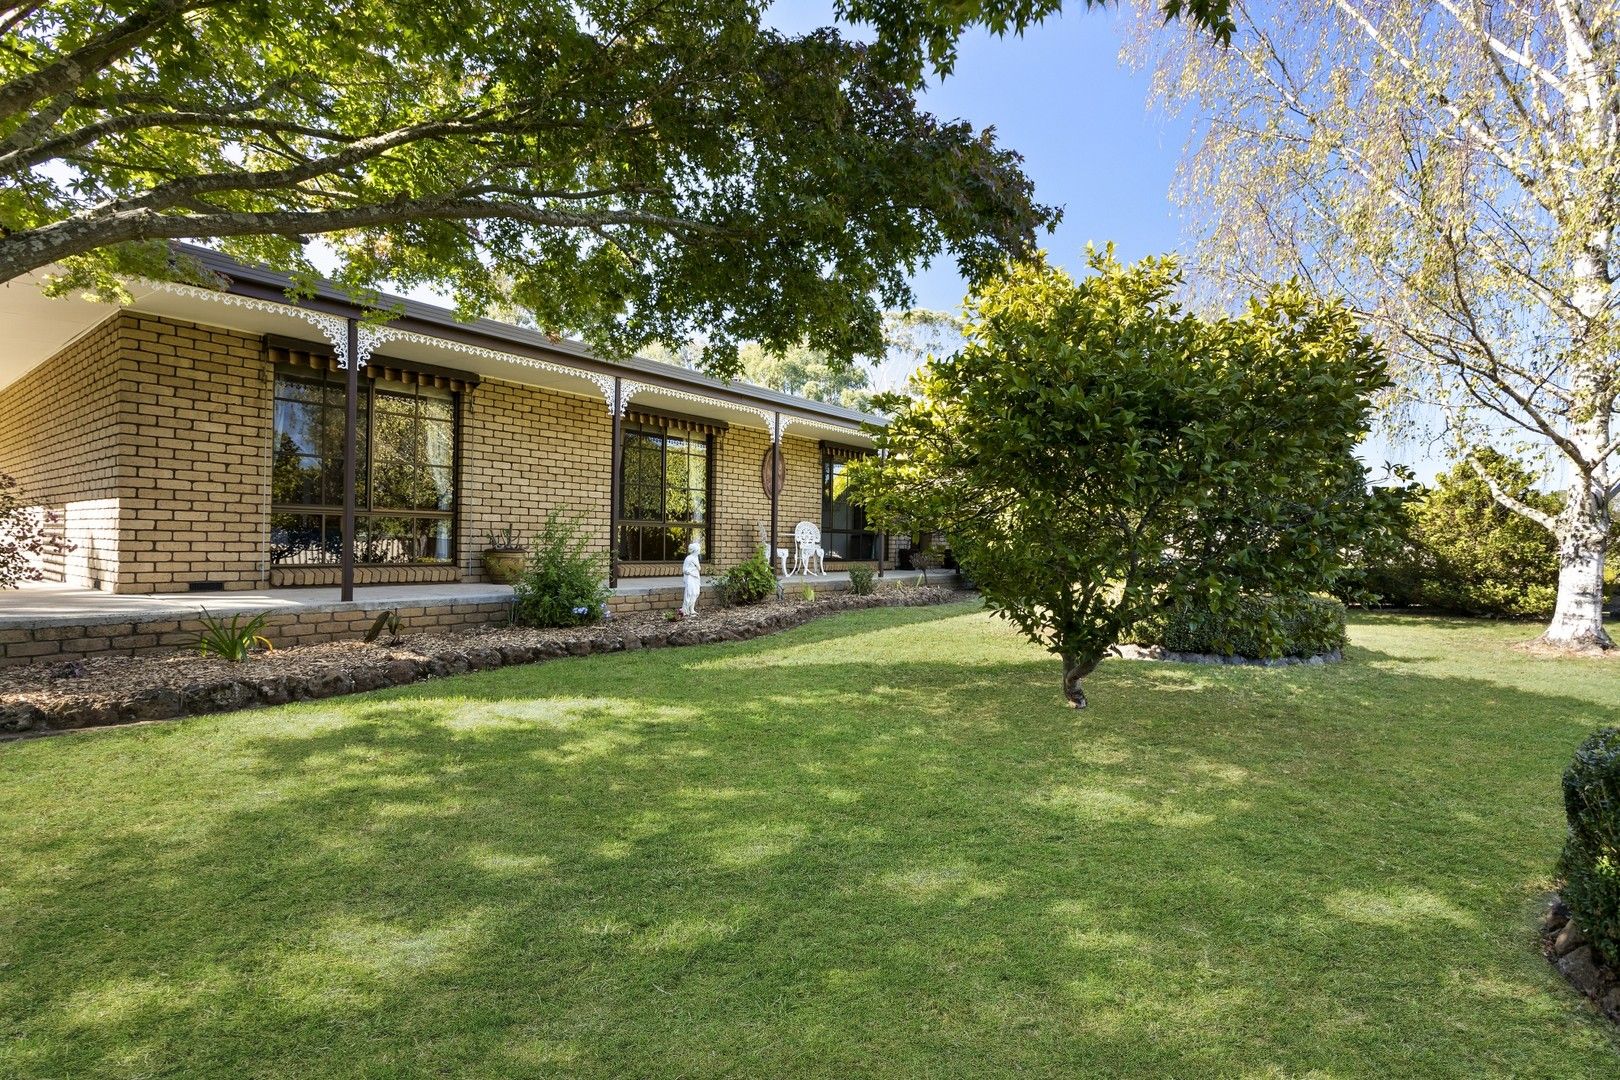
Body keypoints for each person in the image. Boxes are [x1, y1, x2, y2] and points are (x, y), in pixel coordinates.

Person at [680, 537, 702, 617]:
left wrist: (696, 565)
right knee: (689, 593)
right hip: (690, 578)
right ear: (695, 550)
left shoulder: (696, 558)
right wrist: (692, 571)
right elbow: (684, 570)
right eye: (699, 550)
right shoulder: (688, 558)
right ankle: (685, 610)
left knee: (696, 593)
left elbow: (699, 568)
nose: (699, 551)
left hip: (696, 577)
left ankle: (692, 609)